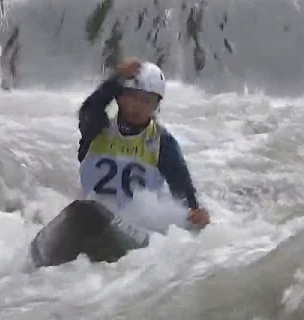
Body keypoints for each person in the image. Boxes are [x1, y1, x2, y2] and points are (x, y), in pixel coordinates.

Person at [78, 58, 211, 229]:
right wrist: (116, 79)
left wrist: (194, 212)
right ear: (118, 98)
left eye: (146, 100)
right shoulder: (97, 127)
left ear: (156, 105)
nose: (137, 106)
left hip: (132, 227)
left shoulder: (163, 142)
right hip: (90, 212)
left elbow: (182, 188)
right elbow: (89, 108)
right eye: (131, 97)